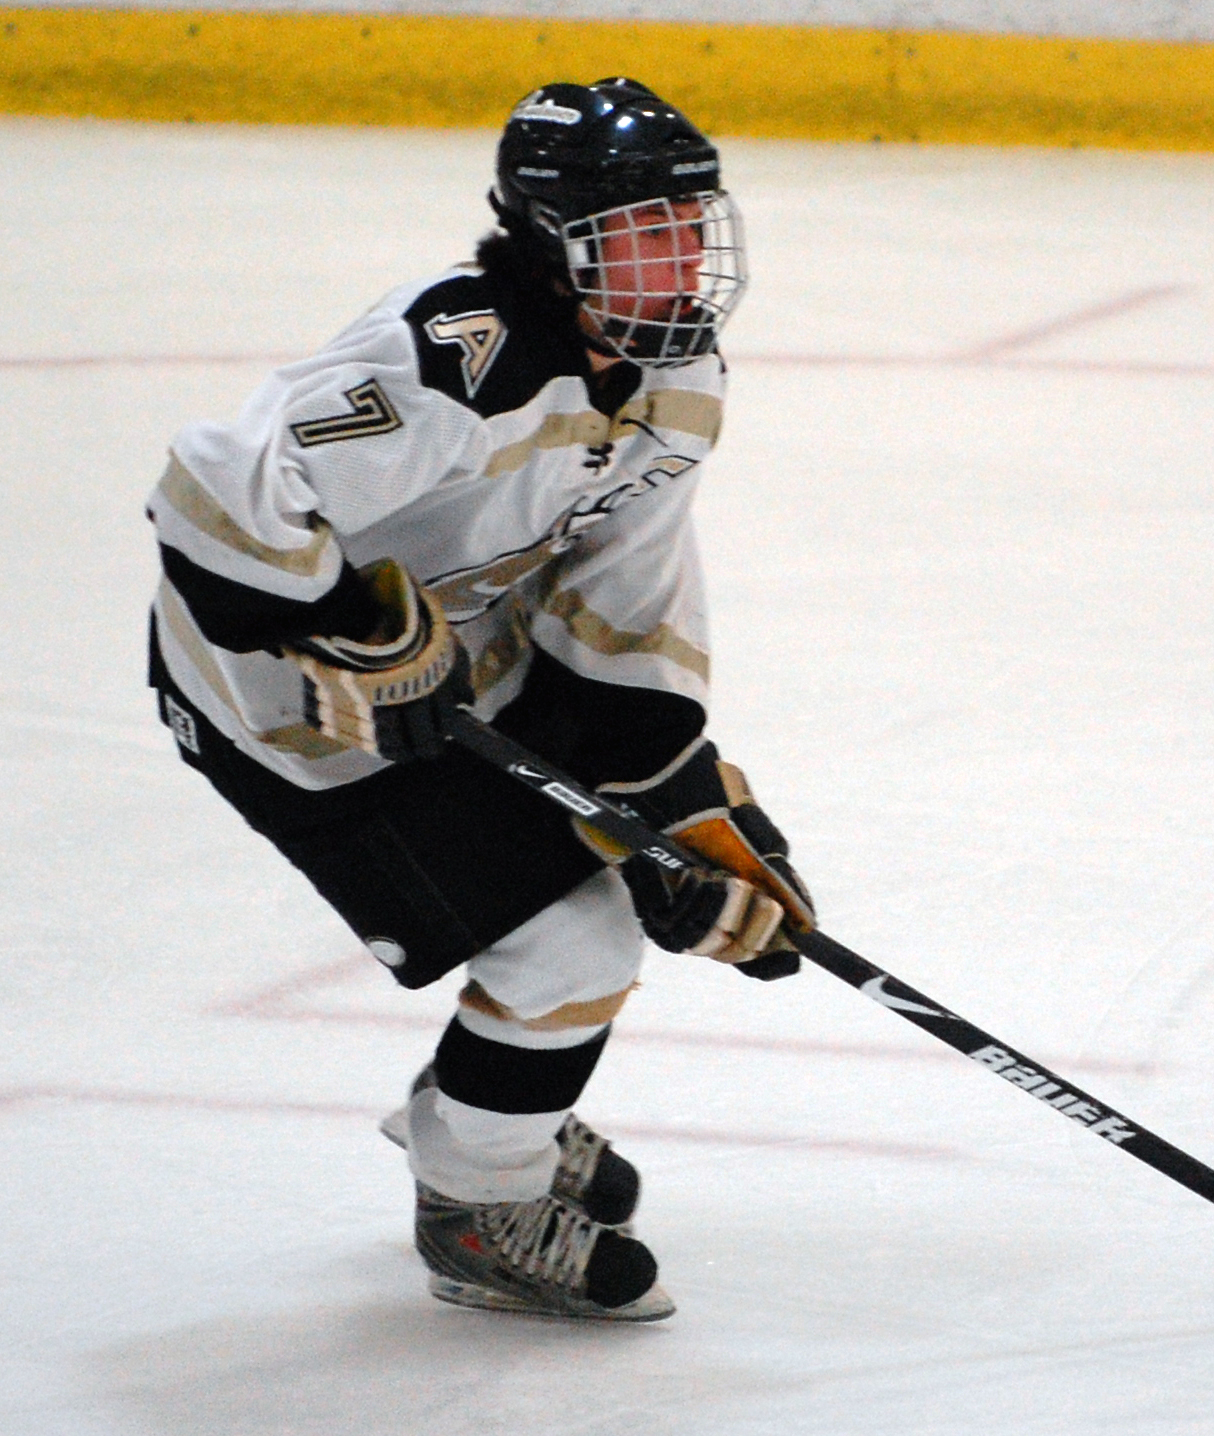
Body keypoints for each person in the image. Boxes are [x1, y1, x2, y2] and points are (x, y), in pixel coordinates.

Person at [145, 79, 815, 1322]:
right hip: (289, 713)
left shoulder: (677, 383)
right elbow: (210, 493)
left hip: (471, 663)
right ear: (557, 244)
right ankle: (477, 1200)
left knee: (626, 889)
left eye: (690, 225)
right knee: (571, 941)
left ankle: (492, 1099)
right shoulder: (455, 361)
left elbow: (624, 594)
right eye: (640, 234)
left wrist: (672, 801)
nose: (680, 262)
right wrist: (343, 626)